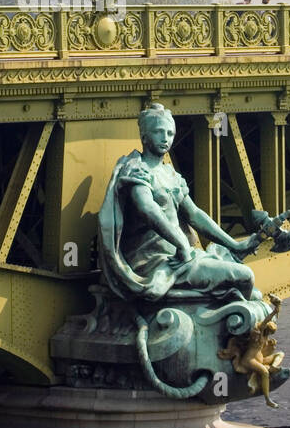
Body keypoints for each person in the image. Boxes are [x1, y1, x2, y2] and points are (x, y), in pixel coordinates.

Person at [98, 104, 267, 305]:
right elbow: (147, 209)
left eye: (170, 133)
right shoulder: (136, 169)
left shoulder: (171, 175)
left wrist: (234, 244)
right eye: (159, 132)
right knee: (245, 277)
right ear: (144, 136)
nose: (165, 138)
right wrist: (181, 243)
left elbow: (194, 214)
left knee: (249, 291)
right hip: (154, 261)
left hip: (181, 256)